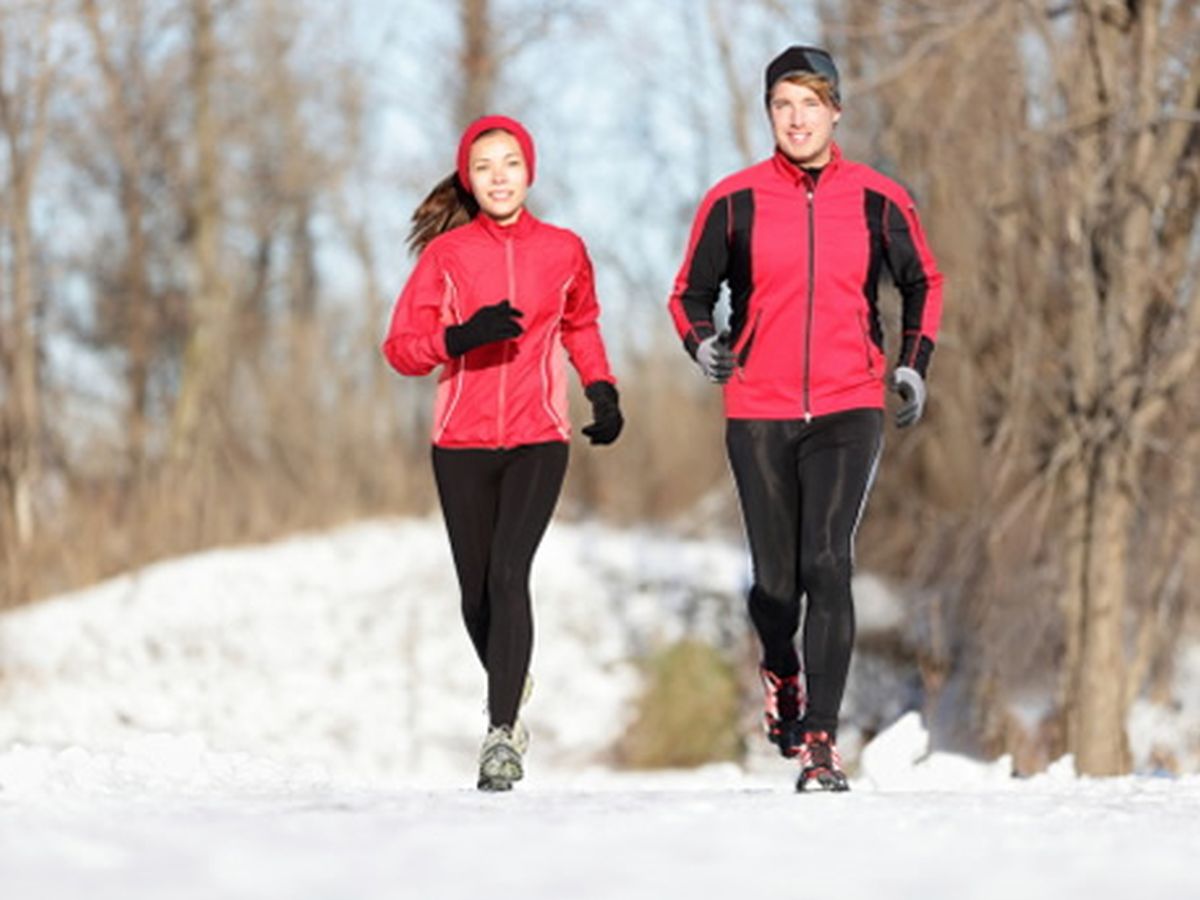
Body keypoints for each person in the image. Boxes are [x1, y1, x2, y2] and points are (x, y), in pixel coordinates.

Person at [667, 46, 943, 792]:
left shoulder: (878, 199)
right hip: (758, 406)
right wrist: (704, 345)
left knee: (828, 561)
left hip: (848, 403)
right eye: (783, 105)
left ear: (835, 112)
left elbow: (923, 281)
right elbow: (688, 295)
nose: (797, 119)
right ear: (769, 114)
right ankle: (780, 668)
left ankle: (821, 740)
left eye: (810, 104)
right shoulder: (734, 201)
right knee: (777, 584)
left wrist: (912, 363)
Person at [382, 114, 623, 792]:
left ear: (529, 172)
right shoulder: (447, 257)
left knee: (510, 572)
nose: (498, 177)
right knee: (476, 595)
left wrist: (602, 389)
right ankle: (511, 674)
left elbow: (581, 325)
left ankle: (501, 733)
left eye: (510, 163)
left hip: (538, 436)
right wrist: (461, 337)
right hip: (460, 443)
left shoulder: (564, 249)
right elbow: (400, 349)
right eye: (484, 166)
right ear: (468, 178)